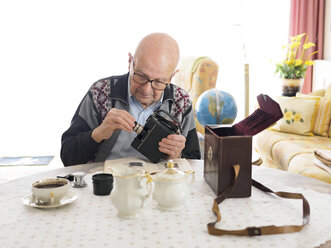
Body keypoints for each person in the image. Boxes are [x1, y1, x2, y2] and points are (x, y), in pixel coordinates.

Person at [61, 33, 201, 166]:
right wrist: (98, 134)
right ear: (130, 62)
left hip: (159, 186)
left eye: (158, 82)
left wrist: (176, 157)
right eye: (140, 76)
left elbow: (195, 164)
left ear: (171, 77)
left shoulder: (181, 101)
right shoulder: (100, 92)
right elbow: (67, 158)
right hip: (109, 184)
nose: (146, 90)